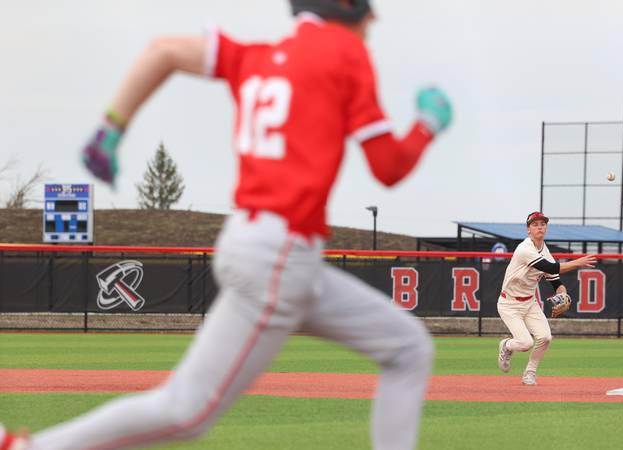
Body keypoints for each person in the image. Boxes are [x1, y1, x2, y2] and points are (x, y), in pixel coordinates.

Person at [1, 1, 452, 449]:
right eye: (367, 8)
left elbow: (164, 50)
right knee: (186, 411)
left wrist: (111, 127)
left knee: (408, 348)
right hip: (279, 258)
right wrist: (427, 125)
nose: (373, 18)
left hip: (265, 248)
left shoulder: (255, 57)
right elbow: (389, 166)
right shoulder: (343, 51)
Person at [496, 211, 596, 385]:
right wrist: (577, 263)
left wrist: (562, 294)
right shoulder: (525, 248)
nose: (539, 227)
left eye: (542, 224)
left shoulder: (544, 249)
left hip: (529, 303)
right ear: (528, 230)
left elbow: (556, 281)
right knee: (525, 343)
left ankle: (530, 373)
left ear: (546, 227)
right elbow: (550, 267)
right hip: (509, 303)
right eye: (535, 224)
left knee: (545, 337)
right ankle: (506, 345)